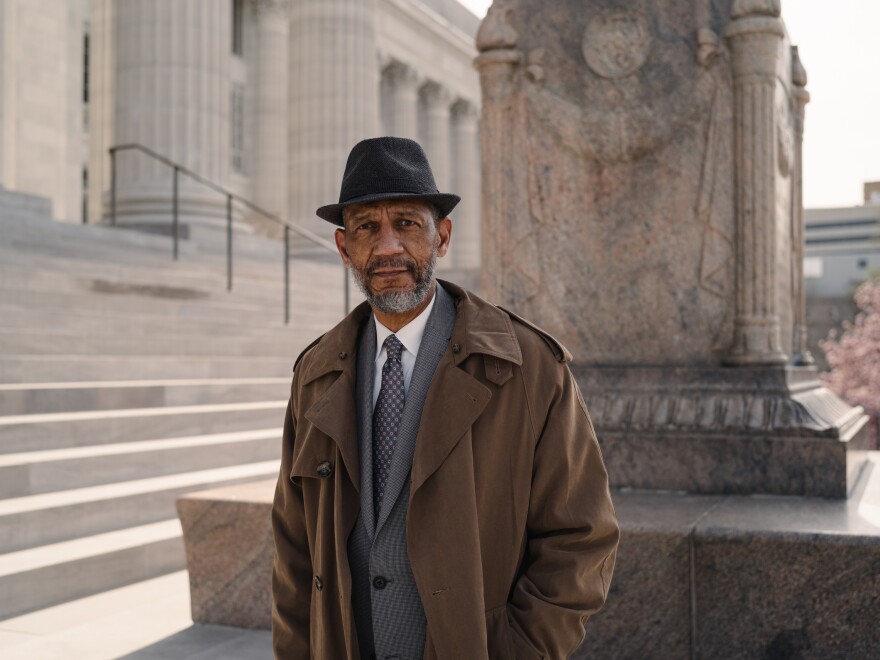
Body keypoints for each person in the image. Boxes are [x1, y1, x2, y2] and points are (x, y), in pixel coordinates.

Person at [272, 136, 619, 660]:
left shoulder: (527, 365)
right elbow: (294, 548)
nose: (387, 246)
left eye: (407, 224)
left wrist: (520, 652)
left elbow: (581, 536)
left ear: (443, 237)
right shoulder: (315, 374)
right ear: (345, 248)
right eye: (367, 227)